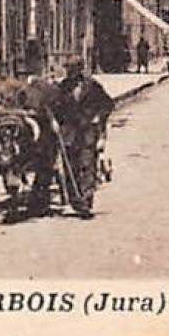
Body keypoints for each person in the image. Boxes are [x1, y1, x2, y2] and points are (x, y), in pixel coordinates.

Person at [55, 58, 114, 218]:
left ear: (79, 69)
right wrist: (55, 121)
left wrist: (98, 118)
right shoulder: (63, 87)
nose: (69, 72)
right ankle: (76, 200)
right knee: (70, 168)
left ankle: (86, 200)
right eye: (68, 68)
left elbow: (108, 104)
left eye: (72, 68)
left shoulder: (92, 86)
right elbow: (55, 107)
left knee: (87, 165)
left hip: (87, 131)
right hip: (69, 133)